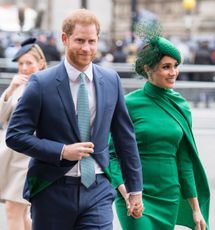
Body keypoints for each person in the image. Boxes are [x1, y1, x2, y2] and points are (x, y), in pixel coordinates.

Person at [5, 8, 143, 230]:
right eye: (79, 40)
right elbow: (15, 136)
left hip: (98, 190)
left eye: (91, 41)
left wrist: (135, 189)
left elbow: (125, 138)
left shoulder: (111, 80)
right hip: (52, 190)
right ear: (65, 39)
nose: (86, 48)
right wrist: (61, 151)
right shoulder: (41, 83)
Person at [109, 23, 210, 230]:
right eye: (166, 67)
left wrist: (195, 208)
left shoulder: (181, 105)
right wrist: (126, 191)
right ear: (148, 69)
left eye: (175, 65)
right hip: (135, 195)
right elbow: (111, 154)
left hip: (169, 196)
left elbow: (184, 161)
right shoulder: (129, 104)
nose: (173, 72)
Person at [0, 37, 47, 230]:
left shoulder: (46, 86)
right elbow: (2, 117)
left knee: (13, 211)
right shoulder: (19, 87)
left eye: (29, 63)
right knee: (21, 215)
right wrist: (10, 90)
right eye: (21, 63)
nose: (24, 67)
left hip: (27, 158)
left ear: (41, 63)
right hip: (10, 158)